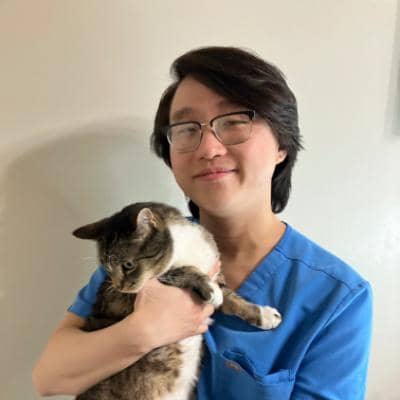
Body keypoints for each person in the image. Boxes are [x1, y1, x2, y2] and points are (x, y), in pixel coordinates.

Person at [33, 46, 372, 399]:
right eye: (186, 128)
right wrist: (143, 332)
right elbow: (50, 377)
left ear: (281, 146)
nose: (209, 149)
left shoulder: (335, 297)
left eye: (234, 122)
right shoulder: (139, 249)